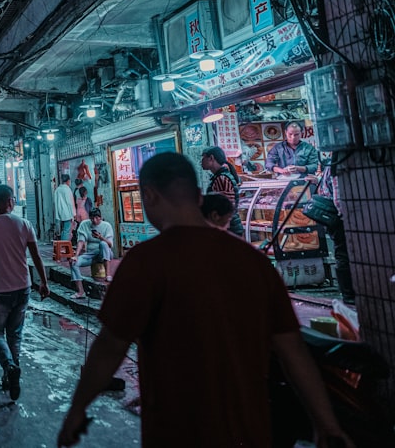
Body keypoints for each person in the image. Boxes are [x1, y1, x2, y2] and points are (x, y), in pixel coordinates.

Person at [57, 152, 351, 448]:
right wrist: (326, 424)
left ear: (147, 196)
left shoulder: (145, 263)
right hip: (250, 430)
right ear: (199, 196)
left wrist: (77, 408)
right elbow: (293, 351)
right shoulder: (253, 261)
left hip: (176, 431)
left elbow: (110, 347)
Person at [0, 184, 50, 401]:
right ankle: (11, 374)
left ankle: (9, 367)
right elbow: (36, 257)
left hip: (0, 289)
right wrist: (43, 283)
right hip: (23, 286)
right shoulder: (24, 224)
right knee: (14, 334)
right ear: (9, 201)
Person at [67, 208, 115, 299]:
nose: (94, 220)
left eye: (97, 218)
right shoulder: (85, 224)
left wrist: (101, 237)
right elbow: (81, 241)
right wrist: (76, 256)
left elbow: (110, 244)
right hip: (90, 254)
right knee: (73, 262)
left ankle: (108, 274)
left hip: (106, 253)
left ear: (101, 218)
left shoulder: (107, 226)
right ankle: (80, 291)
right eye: (92, 218)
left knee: (103, 244)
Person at [201, 146, 244, 237]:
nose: (201, 161)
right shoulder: (220, 176)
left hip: (229, 229)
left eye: (203, 157)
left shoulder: (222, 178)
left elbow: (225, 209)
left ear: (211, 158)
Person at [53, 173, 75, 242]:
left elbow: (55, 202)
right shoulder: (67, 189)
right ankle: (64, 247)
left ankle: (63, 246)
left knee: (63, 230)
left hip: (59, 213)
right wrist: (73, 214)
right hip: (67, 213)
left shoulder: (57, 189)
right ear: (68, 181)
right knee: (66, 230)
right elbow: (69, 203)